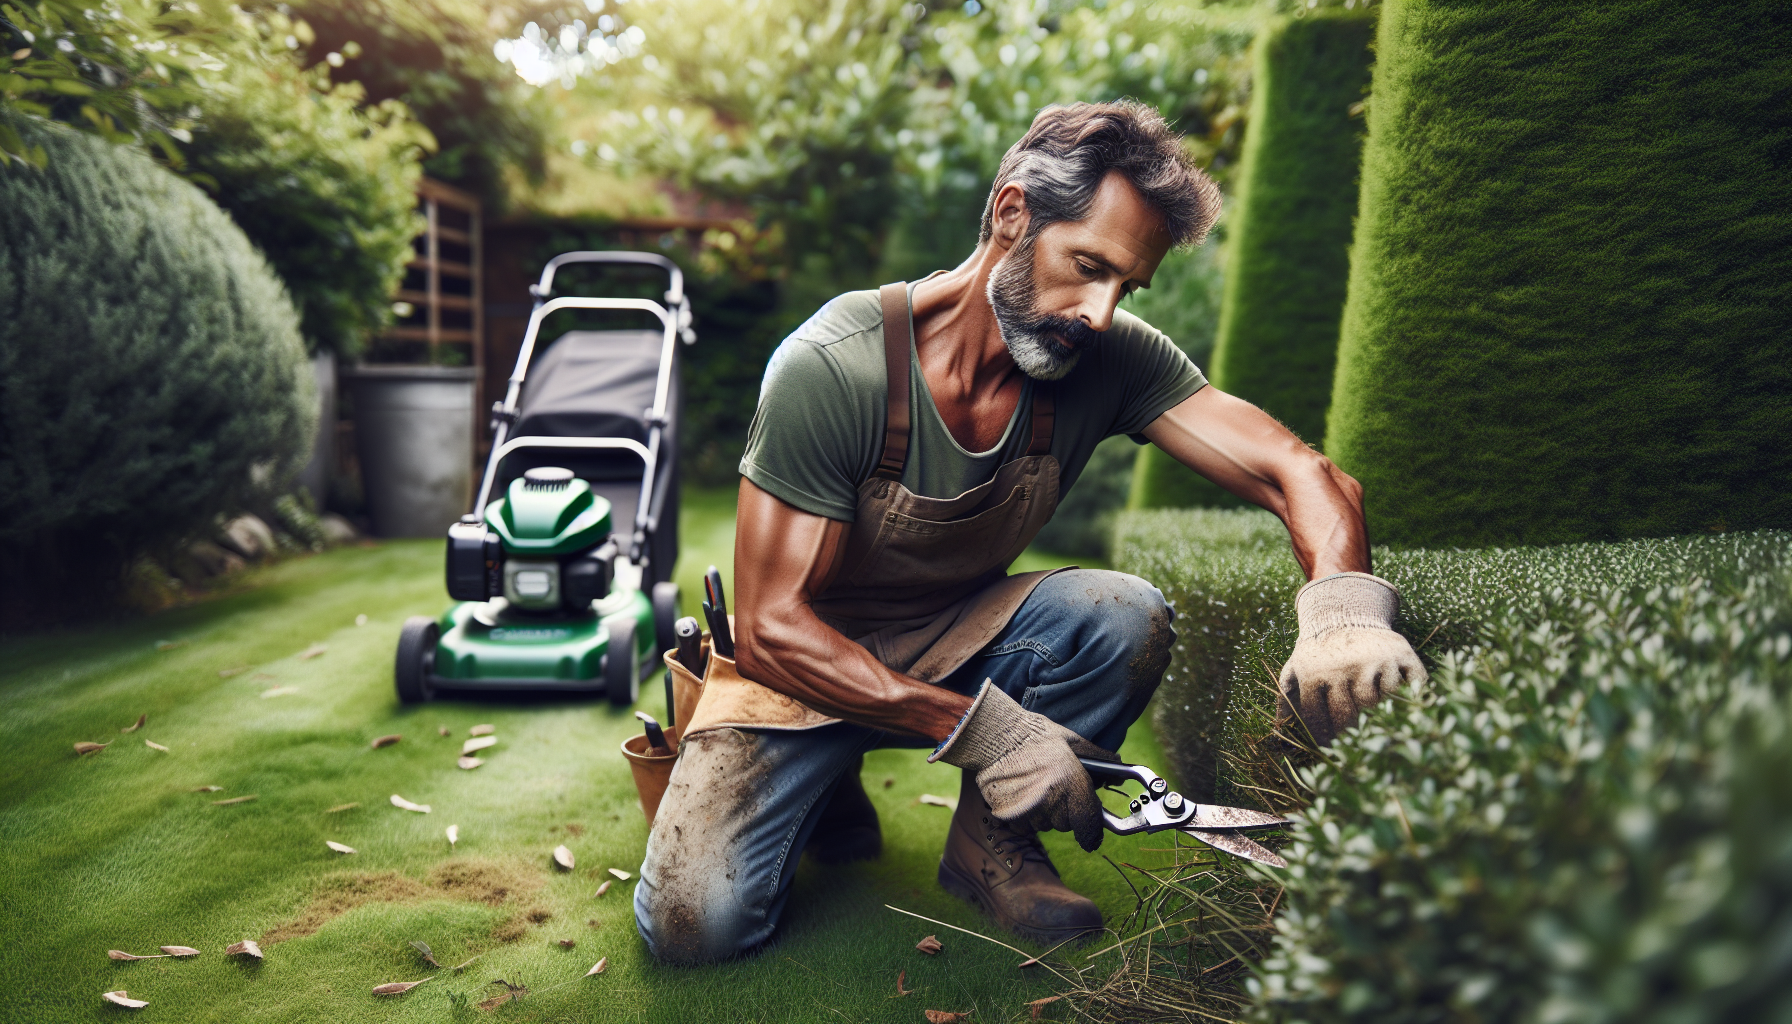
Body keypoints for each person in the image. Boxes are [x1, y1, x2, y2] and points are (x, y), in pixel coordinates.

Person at [635, 100, 1425, 964]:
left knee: (1120, 611)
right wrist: (992, 733)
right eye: (1087, 265)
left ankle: (990, 847)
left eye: (1126, 286)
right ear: (1013, 214)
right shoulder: (837, 364)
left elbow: (1299, 472)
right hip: (797, 671)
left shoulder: (1109, 355)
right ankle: (825, 788)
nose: (1098, 312)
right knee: (694, 926)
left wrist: (1344, 613)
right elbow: (773, 627)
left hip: (956, 631)